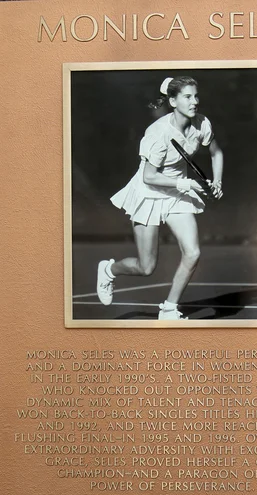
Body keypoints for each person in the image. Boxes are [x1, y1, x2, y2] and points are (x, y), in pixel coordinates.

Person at [97, 75, 223, 320]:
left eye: (196, 96)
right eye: (187, 97)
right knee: (146, 268)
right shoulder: (158, 133)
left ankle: (169, 309)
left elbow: (216, 153)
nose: (194, 101)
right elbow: (149, 177)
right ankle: (109, 270)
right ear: (173, 101)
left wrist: (217, 181)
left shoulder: (202, 124)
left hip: (177, 192)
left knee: (193, 252)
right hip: (149, 192)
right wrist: (185, 183)